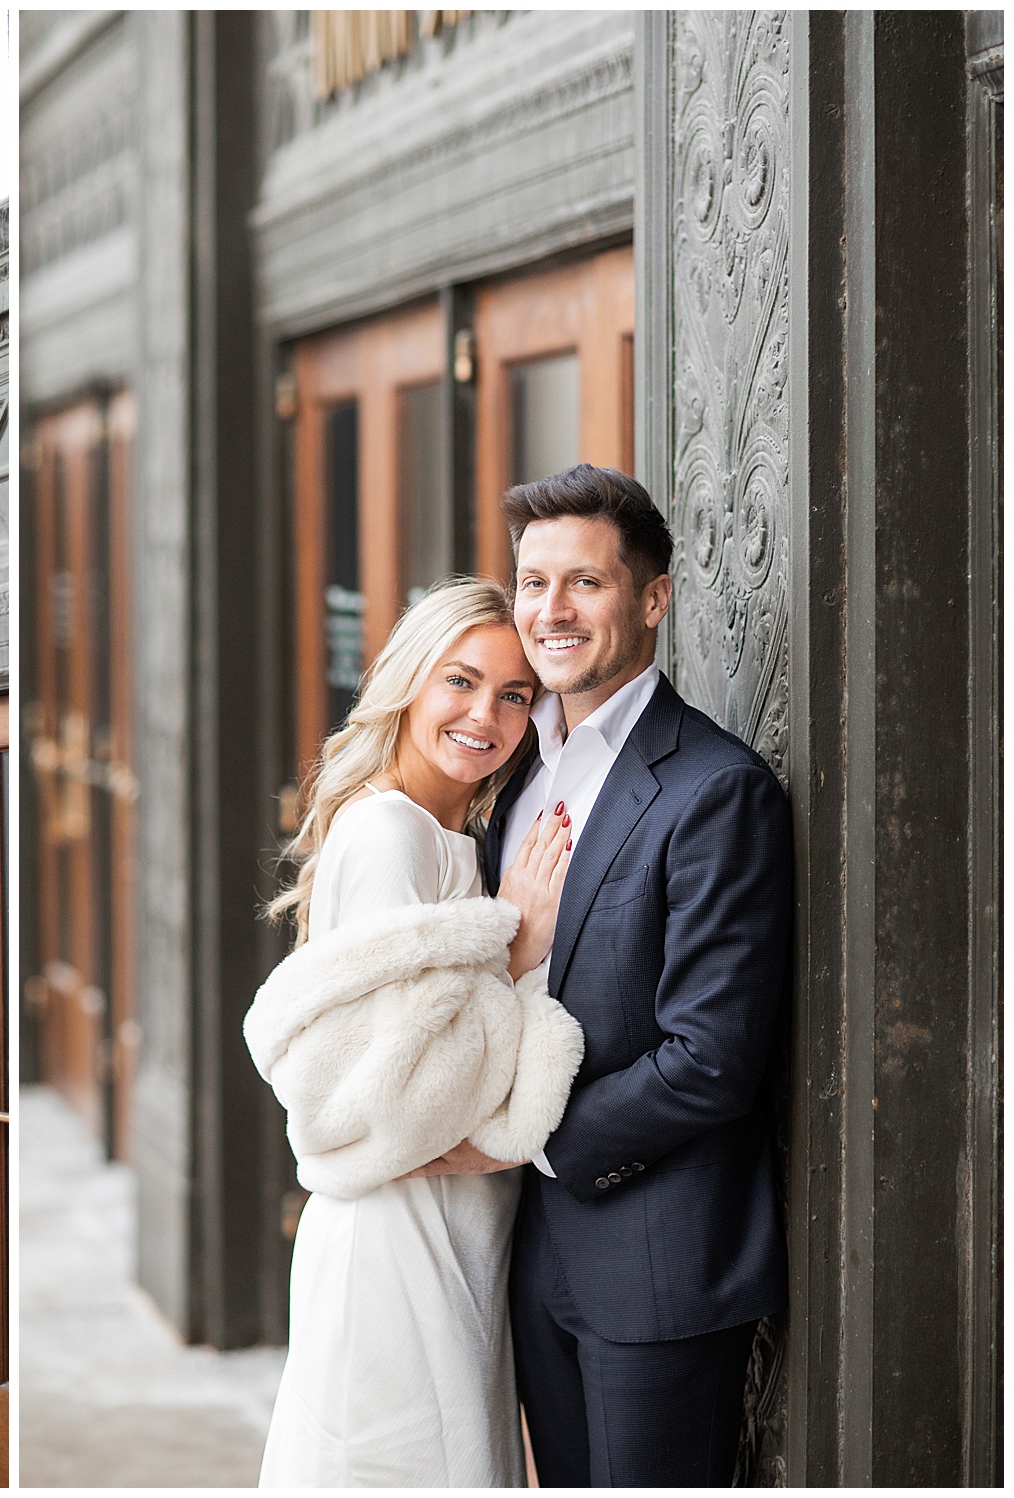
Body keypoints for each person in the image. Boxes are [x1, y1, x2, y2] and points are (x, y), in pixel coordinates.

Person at [473, 464, 793, 1485]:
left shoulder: (716, 789)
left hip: (658, 1265)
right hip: (529, 1257)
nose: (550, 611)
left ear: (652, 600)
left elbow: (709, 1058)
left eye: (585, 582)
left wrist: (529, 1140)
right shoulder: (514, 772)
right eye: (532, 583)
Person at [245, 577, 587, 1486]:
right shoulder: (389, 833)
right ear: (407, 682)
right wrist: (518, 946)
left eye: (514, 695)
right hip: (396, 1243)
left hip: (452, 1232)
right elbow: (397, 1095)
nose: (486, 715)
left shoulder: (451, 831)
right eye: (460, 681)